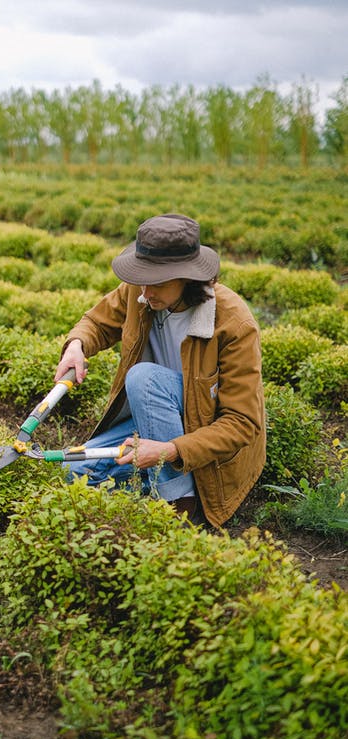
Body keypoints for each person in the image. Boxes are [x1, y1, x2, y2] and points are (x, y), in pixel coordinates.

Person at [54, 213, 266, 527]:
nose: (145, 291)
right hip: (154, 418)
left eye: (157, 282)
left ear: (189, 278)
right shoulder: (140, 293)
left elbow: (241, 423)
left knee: (143, 378)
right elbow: (97, 322)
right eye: (141, 278)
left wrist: (169, 450)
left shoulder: (233, 323)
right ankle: (155, 480)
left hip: (203, 433)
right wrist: (77, 346)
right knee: (72, 471)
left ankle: (180, 503)